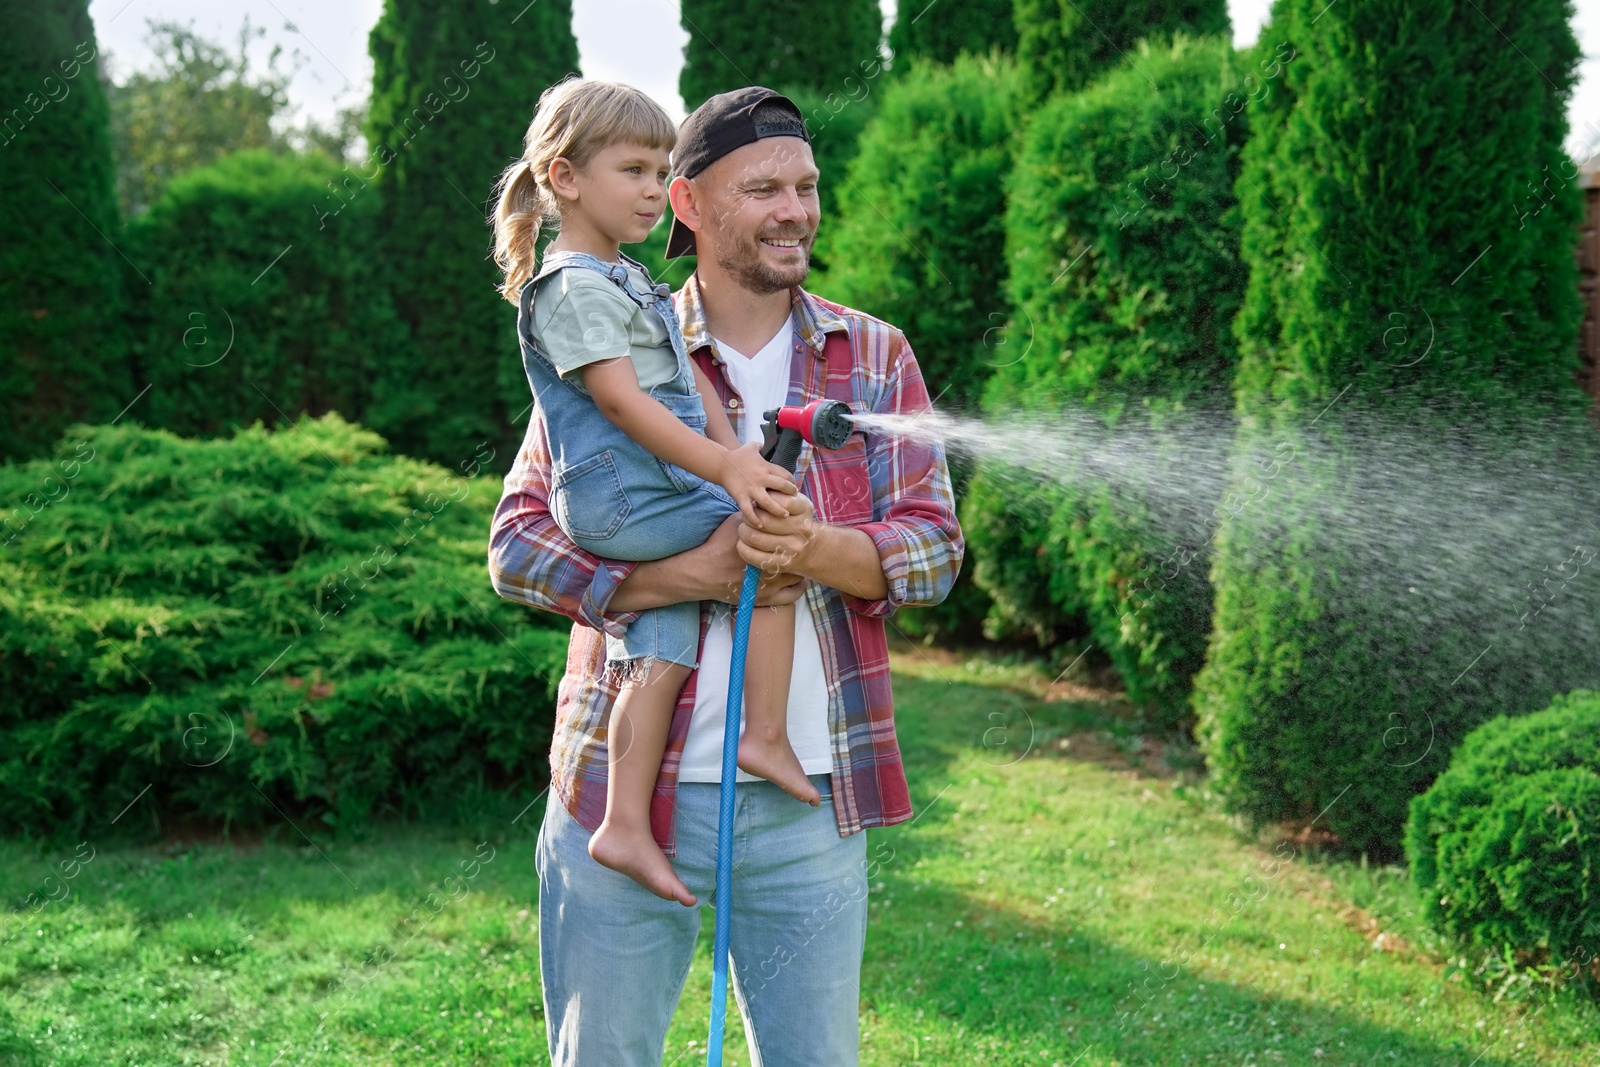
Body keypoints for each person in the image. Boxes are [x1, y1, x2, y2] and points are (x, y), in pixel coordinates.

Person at [487, 83, 963, 1067]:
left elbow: (932, 548)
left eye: (806, 185)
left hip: (806, 800)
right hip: (613, 788)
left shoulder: (872, 356)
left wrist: (809, 550)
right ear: (690, 204)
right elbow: (521, 542)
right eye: (763, 188)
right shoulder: (611, 326)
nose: (795, 209)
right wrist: (688, 573)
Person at [488, 78, 821, 911]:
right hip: (619, 501)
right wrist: (730, 476)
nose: (650, 190)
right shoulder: (571, 288)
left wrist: (734, 450)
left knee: (661, 644)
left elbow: (684, 383)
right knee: (773, 546)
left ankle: (624, 821)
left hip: (647, 498)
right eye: (634, 170)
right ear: (564, 178)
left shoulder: (627, 280)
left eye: (659, 169)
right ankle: (766, 735)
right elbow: (622, 402)